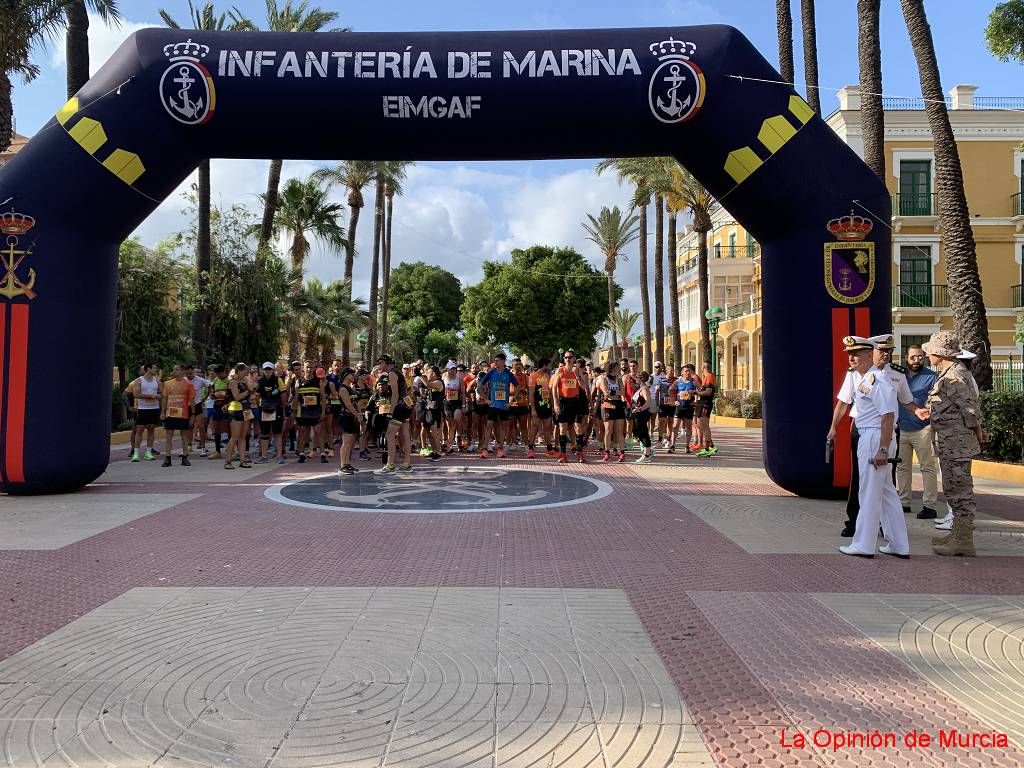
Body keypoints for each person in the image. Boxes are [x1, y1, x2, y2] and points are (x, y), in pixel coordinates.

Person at [837, 336, 910, 559]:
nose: (852, 358)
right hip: (874, 436)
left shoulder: (876, 380)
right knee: (888, 493)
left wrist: (883, 449)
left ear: (870, 354)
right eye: (850, 354)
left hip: (874, 438)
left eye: (857, 353)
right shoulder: (867, 378)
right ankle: (899, 544)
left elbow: (887, 416)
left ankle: (863, 544)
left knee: (868, 493)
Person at [916, 331, 986, 557]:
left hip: (957, 443)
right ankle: (957, 534)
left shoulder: (955, 375)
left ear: (939, 352)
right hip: (950, 442)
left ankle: (964, 540)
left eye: (930, 352)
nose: (927, 356)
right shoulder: (948, 373)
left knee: (960, 491)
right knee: (953, 489)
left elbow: (970, 409)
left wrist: (978, 433)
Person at [895, 344, 940, 519]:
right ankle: (904, 502)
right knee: (902, 467)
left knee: (927, 468)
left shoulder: (932, 377)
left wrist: (931, 425)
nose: (917, 360)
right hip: (902, 428)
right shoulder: (899, 375)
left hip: (922, 429)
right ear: (906, 357)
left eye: (920, 357)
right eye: (913, 357)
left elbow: (937, 402)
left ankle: (930, 505)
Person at [868, 335, 917, 485]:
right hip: (866, 429)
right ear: (872, 352)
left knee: (888, 477)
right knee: (865, 475)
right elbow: (845, 401)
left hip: (889, 429)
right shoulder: (861, 372)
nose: (886, 354)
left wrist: (917, 411)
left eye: (889, 351)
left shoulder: (898, 373)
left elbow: (905, 400)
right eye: (882, 350)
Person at [377, 355, 414, 474]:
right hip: (407, 404)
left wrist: (391, 412)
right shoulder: (397, 372)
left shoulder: (392, 374)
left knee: (389, 434)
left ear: (387, 363)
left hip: (400, 406)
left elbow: (395, 395)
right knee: (405, 434)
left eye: (381, 362)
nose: (379, 365)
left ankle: (390, 464)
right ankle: (407, 463)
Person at [549, 350, 586, 463]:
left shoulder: (577, 371)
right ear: (564, 359)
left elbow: (584, 387)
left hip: (575, 402)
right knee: (562, 429)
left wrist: (578, 376)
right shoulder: (560, 371)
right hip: (563, 402)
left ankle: (580, 453)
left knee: (578, 428)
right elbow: (554, 388)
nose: (568, 359)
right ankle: (563, 454)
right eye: (566, 357)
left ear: (574, 358)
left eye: (570, 357)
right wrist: (555, 403)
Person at [479, 352, 515, 458]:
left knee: (503, 426)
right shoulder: (492, 372)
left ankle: (500, 448)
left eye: (497, 360)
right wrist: (485, 399)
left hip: (504, 406)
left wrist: (511, 400)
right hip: (493, 405)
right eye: (495, 361)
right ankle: (485, 449)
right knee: (489, 425)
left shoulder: (508, 373)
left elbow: (518, 386)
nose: (495, 362)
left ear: (503, 361)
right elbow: (480, 385)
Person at [160, 364, 194, 467]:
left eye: (177, 369)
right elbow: (165, 398)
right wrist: (162, 412)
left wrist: (193, 414)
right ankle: (167, 458)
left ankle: (185, 457)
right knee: (169, 435)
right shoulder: (167, 384)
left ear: (182, 371)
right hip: (170, 413)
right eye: (173, 369)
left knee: (184, 435)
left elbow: (192, 400)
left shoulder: (188, 385)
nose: (174, 371)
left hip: (183, 414)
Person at [294, 361, 327, 464]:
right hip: (303, 412)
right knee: (303, 432)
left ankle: (322, 454)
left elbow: (323, 397)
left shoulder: (318, 381)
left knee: (319, 432)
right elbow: (295, 398)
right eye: (307, 367)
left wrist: (323, 412)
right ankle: (302, 454)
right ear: (304, 368)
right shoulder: (299, 381)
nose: (309, 369)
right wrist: (294, 412)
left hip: (315, 411)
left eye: (311, 367)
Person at [255, 362, 288, 464]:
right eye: (266, 370)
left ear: (273, 370)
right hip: (264, 409)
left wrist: (283, 407)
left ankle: (279, 456)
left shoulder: (278, 380)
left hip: (276, 409)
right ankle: (264, 456)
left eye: (269, 369)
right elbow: (257, 395)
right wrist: (259, 406)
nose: (268, 371)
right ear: (263, 370)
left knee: (277, 433)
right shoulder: (260, 381)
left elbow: (283, 395)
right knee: (264, 433)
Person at [129, 363, 162, 461]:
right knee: (140, 429)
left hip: (154, 408)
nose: (156, 369)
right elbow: (136, 394)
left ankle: (148, 452)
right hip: (143, 408)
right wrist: (150, 396)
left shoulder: (157, 381)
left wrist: (159, 396)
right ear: (148, 369)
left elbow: (162, 392)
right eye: (154, 368)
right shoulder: (139, 380)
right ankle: (136, 453)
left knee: (151, 429)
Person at [223, 362, 253, 469]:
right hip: (236, 410)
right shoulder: (233, 382)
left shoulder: (243, 382)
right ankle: (228, 461)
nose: (247, 373)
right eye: (245, 371)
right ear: (239, 371)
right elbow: (236, 397)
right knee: (234, 436)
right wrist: (248, 392)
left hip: (246, 410)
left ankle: (242, 460)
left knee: (243, 437)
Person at [528, 358, 558, 458]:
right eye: (548, 365)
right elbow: (531, 394)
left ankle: (549, 449)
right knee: (534, 428)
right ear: (544, 365)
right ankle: (530, 448)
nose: (549, 367)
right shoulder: (533, 376)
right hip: (537, 406)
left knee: (547, 428)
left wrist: (552, 405)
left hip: (546, 406)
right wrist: (533, 409)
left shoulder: (546, 376)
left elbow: (549, 392)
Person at [598, 360, 627, 462]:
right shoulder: (604, 379)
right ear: (611, 370)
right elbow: (606, 393)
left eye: (618, 369)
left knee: (619, 431)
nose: (618, 371)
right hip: (608, 405)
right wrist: (616, 393)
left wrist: (613, 393)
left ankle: (622, 453)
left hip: (618, 405)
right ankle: (607, 452)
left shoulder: (619, 380)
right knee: (608, 430)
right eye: (616, 369)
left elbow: (623, 392)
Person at [337, 367, 362, 474]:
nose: (354, 376)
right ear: (346, 375)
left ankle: (347, 463)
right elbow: (348, 405)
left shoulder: (350, 388)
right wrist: (357, 414)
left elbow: (355, 402)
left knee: (351, 442)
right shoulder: (343, 389)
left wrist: (358, 414)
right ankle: (342, 465)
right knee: (346, 442)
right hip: (346, 417)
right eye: (352, 374)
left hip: (352, 417)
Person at [668, 365, 697, 454]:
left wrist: (695, 401)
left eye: (689, 371)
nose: (688, 373)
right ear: (682, 373)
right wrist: (674, 401)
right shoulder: (678, 381)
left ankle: (687, 446)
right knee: (675, 425)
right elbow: (670, 390)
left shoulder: (694, 382)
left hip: (689, 407)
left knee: (688, 426)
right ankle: (672, 445)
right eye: (686, 371)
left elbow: (700, 390)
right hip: (679, 406)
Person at [185, 365, 210, 457]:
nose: (189, 375)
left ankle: (203, 447)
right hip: (187, 405)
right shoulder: (183, 380)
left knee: (201, 426)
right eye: (187, 373)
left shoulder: (199, 380)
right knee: (188, 426)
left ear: (194, 372)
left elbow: (210, 386)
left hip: (197, 404)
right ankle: (189, 446)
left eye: (190, 373)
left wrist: (205, 398)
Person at [693, 362, 717, 456]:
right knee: (699, 425)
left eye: (701, 367)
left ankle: (707, 449)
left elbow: (708, 392)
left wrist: (696, 393)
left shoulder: (710, 376)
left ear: (703, 367)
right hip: (701, 403)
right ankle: (711, 446)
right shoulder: (706, 377)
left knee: (705, 426)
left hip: (706, 404)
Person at [630, 371, 655, 463]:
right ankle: (648, 450)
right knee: (637, 432)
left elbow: (648, 402)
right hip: (636, 414)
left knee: (643, 433)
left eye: (636, 377)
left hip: (641, 414)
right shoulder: (640, 389)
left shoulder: (644, 389)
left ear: (641, 378)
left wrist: (640, 409)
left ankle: (646, 454)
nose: (635, 379)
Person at [508, 357, 531, 453]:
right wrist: (515, 393)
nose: (518, 367)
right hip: (512, 405)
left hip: (523, 405)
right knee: (511, 426)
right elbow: (505, 391)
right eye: (516, 365)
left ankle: (526, 445)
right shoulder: (508, 376)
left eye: (519, 365)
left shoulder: (525, 377)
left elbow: (529, 390)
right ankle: (512, 443)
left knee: (523, 426)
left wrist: (525, 391)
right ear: (512, 366)